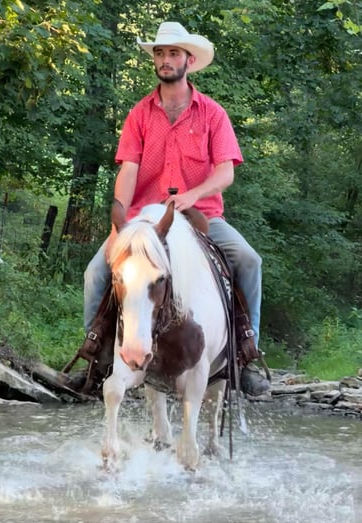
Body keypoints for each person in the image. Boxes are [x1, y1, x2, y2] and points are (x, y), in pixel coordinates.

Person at [84, 22, 270, 396]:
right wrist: (119, 228)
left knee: (248, 260)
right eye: (159, 53)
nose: (165, 60)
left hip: (202, 215)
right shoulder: (139, 114)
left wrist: (192, 195)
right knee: (96, 272)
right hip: (145, 219)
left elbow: (225, 173)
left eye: (173, 53)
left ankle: (244, 354)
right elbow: (129, 170)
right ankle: (96, 356)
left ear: (189, 60)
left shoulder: (213, 114)